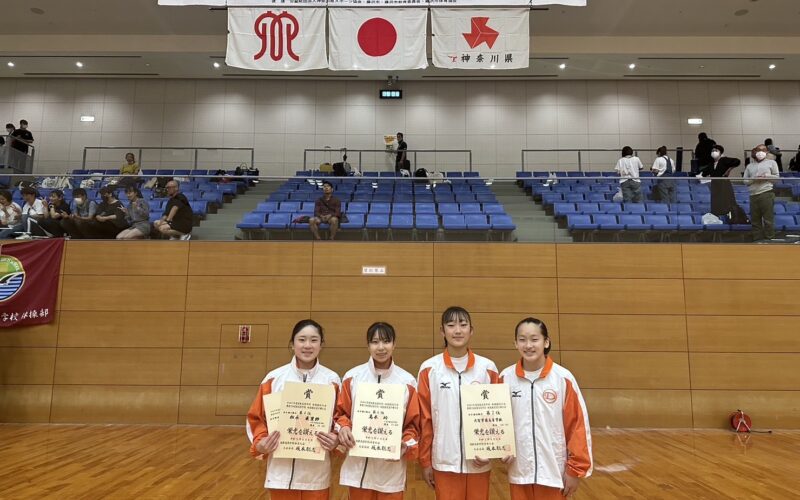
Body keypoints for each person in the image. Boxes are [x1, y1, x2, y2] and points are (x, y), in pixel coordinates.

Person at [246, 319, 341, 500]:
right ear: (292, 344)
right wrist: (260, 443)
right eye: (301, 339)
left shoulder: (332, 380)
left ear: (322, 344)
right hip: (280, 473)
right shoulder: (274, 378)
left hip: (316, 474)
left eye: (314, 340)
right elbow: (256, 418)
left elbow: (340, 419)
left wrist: (336, 439)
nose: (307, 345)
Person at [500, 318, 592, 500]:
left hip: (554, 473)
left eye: (534, 339)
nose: (528, 345)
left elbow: (578, 426)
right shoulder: (505, 378)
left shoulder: (562, 378)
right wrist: (502, 448)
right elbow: (498, 422)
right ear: (515, 343)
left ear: (546, 342)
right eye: (522, 339)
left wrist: (575, 470)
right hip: (520, 472)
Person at [418, 306, 500, 500]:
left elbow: (497, 417)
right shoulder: (429, 369)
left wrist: (490, 451)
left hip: (479, 461)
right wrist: (425, 461)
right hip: (444, 461)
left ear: (471, 330)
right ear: (442, 331)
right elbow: (424, 419)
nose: (457, 330)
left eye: (463, 325)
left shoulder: (487, 368)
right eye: (451, 325)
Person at [336, 322, 421, 500]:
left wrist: (405, 445)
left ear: (394, 344)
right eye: (375, 342)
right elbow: (341, 414)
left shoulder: (407, 382)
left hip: (391, 471)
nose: (381, 347)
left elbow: (413, 425)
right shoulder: (353, 377)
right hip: (358, 469)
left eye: (386, 341)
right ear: (368, 345)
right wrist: (343, 428)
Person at [743, 144, 780, 242]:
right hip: (753, 195)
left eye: (763, 150)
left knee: (768, 219)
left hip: (766, 192)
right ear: (755, 152)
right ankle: (757, 240)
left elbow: (777, 178)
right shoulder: (750, 166)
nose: (760, 152)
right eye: (758, 150)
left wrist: (766, 176)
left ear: (767, 152)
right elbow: (745, 181)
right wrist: (754, 179)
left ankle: (770, 239)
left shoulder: (772, 163)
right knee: (755, 220)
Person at [701, 145, 741, 218]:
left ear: (720, 152)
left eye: (716, 150)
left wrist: (729, 169)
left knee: (726, 200)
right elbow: (704, 173)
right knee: (716, 201)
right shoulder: (711, 164)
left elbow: (737, 161)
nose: (714, 152)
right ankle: (717, 216)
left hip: (724, 183)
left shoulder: (723, 160)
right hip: (715, 185)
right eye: (712, 151)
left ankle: (730, 217)